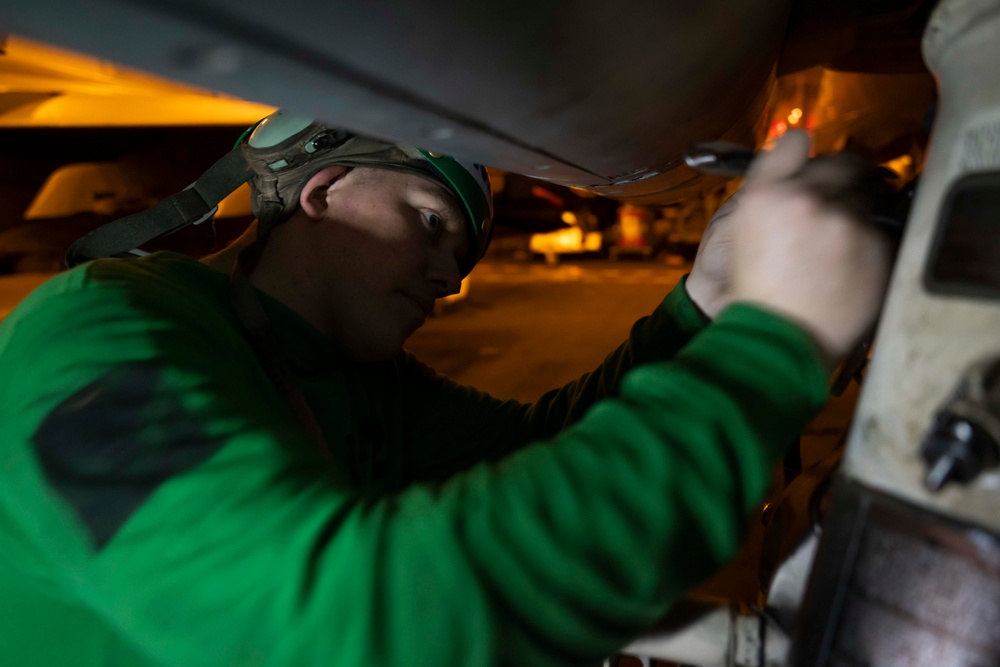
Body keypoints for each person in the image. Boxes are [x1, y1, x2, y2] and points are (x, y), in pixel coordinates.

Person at [0, 111, 891, 666]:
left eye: (460, 254)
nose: (450, 277)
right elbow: (336, 625)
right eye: (428, 224)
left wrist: (709, 301)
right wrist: (781, 347)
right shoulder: (101, 338)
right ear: (322, 188)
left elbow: (549, 447)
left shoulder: (362, 383)